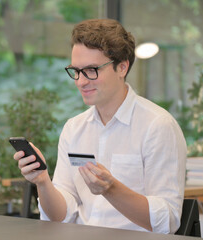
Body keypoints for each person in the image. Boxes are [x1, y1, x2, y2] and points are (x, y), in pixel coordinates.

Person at [13, 18, 186, 234]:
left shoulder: (158, 126)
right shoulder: (74, 128)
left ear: (122, 67)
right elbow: (60, 216)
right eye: (76, 71)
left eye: (91, 70)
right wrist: (42, 182)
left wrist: (111, 189)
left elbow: (167, 221)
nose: (80, 81)